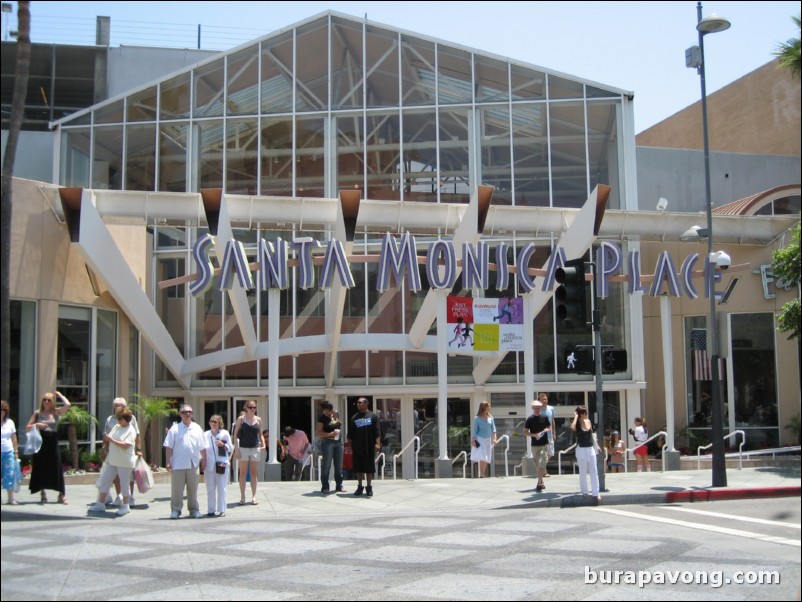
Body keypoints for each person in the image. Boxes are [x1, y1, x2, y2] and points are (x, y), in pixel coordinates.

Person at [88, 407, 137, 516]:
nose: (118, 421)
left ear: (126, 419)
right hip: (112, 460)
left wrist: (111, 440)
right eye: (117, 418)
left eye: (120, 418)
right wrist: (105, 444)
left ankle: (125, 506)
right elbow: (109, 438)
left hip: (125, 462)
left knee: (124, 484)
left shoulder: (131, 430)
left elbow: (126, 445)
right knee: (105, 481)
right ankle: (100, 504)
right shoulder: (116, 427)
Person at [26, 391, 71, 504]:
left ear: (52, 402)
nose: (46, 402)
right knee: (41, 466)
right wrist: (37, 425)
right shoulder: (37, 413)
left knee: (56, 466)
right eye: (44, 400)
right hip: (41, 442)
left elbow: (68, 405)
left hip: (52, 442)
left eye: (49, 400)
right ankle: (42, 493)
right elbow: (27, 427)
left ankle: (61, 495)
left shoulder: (56, 412)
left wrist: (60, 395)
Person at [163, 404, 206, 519]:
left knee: (193, 489)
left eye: (190, 412)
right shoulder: (175, 429)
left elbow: (202, 447)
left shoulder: (197, 428)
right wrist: (168, 462)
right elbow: (168, 447)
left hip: (193, 463)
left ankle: (194, 510)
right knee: (177, 490)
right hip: (178, 464)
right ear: (180, 414)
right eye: (185, 412)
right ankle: (176, 510)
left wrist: (204, 460)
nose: (188, 414)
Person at [101, 397, 142, 507]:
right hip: (113, 453)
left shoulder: (130, 418)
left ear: (124, 407)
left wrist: (139, 449)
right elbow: (106, 435)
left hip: (126, 453)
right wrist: (104, 449)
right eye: (115, 405)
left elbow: (137, 435)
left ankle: (129, 499)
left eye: (119, 405)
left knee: (128, 478)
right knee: (113, 477)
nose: (116, 407)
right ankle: (119, 496)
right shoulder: (110, 419)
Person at [232, 401, 264, 505]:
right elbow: (235, 434)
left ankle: (254, 496)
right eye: (250, 407)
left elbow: (261, 434)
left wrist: (263, 444)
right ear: (246, 407)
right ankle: (242, 496)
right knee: (243, 473)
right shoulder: (241, 419)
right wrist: (236, 449)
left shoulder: (258, 419)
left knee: (254, 473)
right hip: (243, 448)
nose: (252, 409)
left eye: (254, 407)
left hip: (254, 448)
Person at [348, 397, 381, 497]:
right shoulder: (354, 417)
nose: (358, 404)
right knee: (358, 468)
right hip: (357, 447)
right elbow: (350, 434)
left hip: (369, 446)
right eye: (357, 403)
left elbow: (378, 431)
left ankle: (369, 487)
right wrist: (349, 446)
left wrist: (378, 443)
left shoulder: (373, 416)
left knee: (369, 469)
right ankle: (360, 486)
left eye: (360, 402)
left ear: (366, 404)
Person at [203, 414, 232, 517]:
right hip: (209, 464)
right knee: (210, 488)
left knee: (222, 487)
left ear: (220, 423)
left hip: (221, 463)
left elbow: (231, 448)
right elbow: (202, 449)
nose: (213, 423)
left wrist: (223, 445)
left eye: (215, 422)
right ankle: (211, 509)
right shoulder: (205, 434)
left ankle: (222, 509)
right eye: (211, 421)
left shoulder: (225, 433)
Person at [571, 406, 601, 500]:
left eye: (586, 413)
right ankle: (585, 491)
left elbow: (592, 435)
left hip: (590, 447)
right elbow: (572, 427)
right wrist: (575, 417)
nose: (586, 414)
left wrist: (597, 446)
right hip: (581, 449)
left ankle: (596, 492)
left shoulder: (588, 421)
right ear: (580, 414)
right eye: (584, 413)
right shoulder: (577, 424)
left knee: (594, 470)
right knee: (583, 470)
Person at [316, 401, 346, 493]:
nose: (333, 410)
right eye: (331, 409)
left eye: (333, 408)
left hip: (338, 441)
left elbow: (339, 425)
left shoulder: (336, 415)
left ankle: (339, 485)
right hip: (328, 442)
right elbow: (318, 432)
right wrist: (329, 434)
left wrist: (336, 419)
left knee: (339, 465)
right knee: (327, 464)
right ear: (326, 410)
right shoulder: (322, 419)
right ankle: (325, 486)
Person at [523, 399, 550, 491]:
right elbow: (525, 432)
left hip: (544, 444)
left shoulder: (545, 417)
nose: (537, 409)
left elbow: (548, 427)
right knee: (537, 464)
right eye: (536, 408)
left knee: (542, 462)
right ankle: (541, 480)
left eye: (539, 407)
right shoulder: (530, 419)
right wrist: (534, 435)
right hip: (534, 444)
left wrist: (547, 430)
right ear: (533, 408)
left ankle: (539, 482)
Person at [470, 400, 497, 478]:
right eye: (488, 406)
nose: (489, 408)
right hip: (480, 439)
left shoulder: (490, 418)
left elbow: (493, 429)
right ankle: (481, 473)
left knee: (486, 457)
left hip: (488, 439)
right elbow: (474, 430)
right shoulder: (477, 418)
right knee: (482, 456)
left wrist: (494, 438)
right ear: (484, 407)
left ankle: (482, 473)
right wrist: (474, 440)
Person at [1, 400, 20, 505]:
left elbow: (14, 438)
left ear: (5, 412)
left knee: (9, 475)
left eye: (2, 411)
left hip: (8, 452)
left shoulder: (10, 422)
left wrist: (16, 452)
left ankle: (11, 498)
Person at [537, 392, 557, 476]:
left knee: (550, 453)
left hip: (550, 435)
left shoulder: (551, 408)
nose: (544, 401)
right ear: (539, 401)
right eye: (542, 400)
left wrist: (554, 433)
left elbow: (552, 420)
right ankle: (543, 471)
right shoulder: (538, 410)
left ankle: (541, 468)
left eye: (545, 399)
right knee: (543, 454)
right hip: (541, 435)